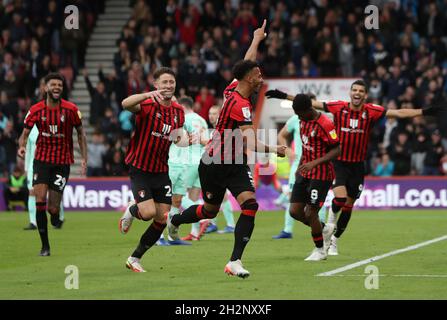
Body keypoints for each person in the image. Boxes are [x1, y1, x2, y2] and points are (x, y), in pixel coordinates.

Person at [266, 80, 443, 256]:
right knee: (340, 199)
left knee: (349, 205)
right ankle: (329, 223)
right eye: (354, 90)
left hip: (357, 166)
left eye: (361, 91)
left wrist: (424, 112)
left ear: (365, 95)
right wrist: (284, 96)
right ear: (350, 93)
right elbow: (310, 103)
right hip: (339, 163)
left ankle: (334, 241)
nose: (357, 93)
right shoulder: (338, 108)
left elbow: (399, 113)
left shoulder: (372, 111)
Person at [167, 51, 287, 280]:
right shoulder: (240, 105)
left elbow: (246, 61)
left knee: (250, 205)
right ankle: (175, 220)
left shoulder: (232, 89)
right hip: (214, 163)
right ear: (249, 79)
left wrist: (256, 40)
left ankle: (234, 261)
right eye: (258, 75)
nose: (261, 78)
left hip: (236, 164)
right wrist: (274, 149)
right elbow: (250, 141)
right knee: (209, 210)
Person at [118, 67, 194, 272]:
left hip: (161, 170)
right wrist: (146, 95)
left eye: (171, 82)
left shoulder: (178, 111)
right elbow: (125, 104)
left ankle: (134, 258)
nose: (168, 86)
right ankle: (133, 210)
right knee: (149, 212)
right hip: (140, 167)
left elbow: (177, 139)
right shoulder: (147, 104)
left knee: (162, 218)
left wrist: (189, 140)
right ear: (156, 85)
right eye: (164, 82)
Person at [17, 73, 88, 256]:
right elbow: (24, 134)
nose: (57, 87)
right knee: (40, 200)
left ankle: (56, 217)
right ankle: (45, 246)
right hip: (41, 161)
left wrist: (84, 159)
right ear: (45, 88)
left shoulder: (71, 110)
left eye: (59, 85)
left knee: (53, 208)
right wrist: (22, 147)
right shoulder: (36, 110)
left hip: (62, 163)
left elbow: (81, 134)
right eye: (53, 84)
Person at [283, 94, 341, 261]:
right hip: (304, 171)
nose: (298, 116)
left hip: (321, 174)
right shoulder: (302, 121)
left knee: (311, 212)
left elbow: (337, 150)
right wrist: (299, 166)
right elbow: (307, 147)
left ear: (309, 109)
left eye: (300, 113)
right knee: (294, 211)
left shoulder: (326, 124)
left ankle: (320, 250)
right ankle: (324, 229)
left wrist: (314, 163)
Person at [24, 125, 65, 230]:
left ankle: (60, 217)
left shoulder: (51, 125)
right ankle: (33, 222)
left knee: (54, 193)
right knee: (32, 192)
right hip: (34, 166)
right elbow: (28, 149)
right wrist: (26, 168)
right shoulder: (31, 129)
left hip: (51, 165)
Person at [202, 105, 235, 235]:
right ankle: (213, 223)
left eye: (214, 113)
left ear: (220, 115)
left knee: (222, 196)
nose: (211, 116)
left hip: (221, 166)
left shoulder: (222, 129)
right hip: (214, 166)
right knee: (214, 196)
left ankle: (230, 224)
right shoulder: (213, 130)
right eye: (210, 113)